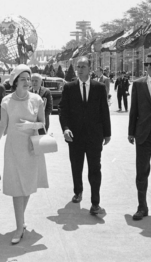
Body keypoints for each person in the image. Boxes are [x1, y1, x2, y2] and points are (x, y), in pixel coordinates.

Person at [0, 64, 48, 244]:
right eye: (23, 79)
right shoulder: (6, 101)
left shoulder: (37, 99)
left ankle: (20, 221)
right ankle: (18, 227)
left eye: (29, 79)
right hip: (13, 148)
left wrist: (32, 127)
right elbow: (2, 125)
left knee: (28, 185)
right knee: (17, 187)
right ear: (15, 82)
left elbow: (42, 124)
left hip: (31, 148)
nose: (27, 82)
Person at [59, 56, 111, 215]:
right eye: (78, 66)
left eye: (83, 66)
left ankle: (95, 203)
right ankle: (78, 191)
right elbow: (63, 111)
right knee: (76, 166)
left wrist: (107, 133)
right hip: (75, 136)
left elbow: (104, 112)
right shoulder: (69, 88)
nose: (80, 69)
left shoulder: (99, 87)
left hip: (94, 136)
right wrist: (65, 128)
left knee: (95, 169)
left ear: (90, 69)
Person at [128, 59, 151, 220]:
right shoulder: (138, 84)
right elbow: (133, 110)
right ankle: (142, 207)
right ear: (148, 67)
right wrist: (131, 132)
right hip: (143, 134)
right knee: (141, 172)